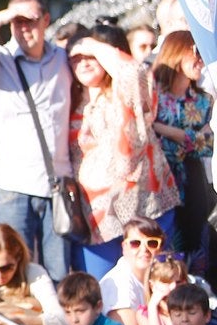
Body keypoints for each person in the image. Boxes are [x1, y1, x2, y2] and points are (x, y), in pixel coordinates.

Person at [0, 0, 73, 280]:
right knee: (13, 271)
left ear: (46, 20)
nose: (23, 28)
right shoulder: (2, 58)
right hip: (13, 185)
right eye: (16, 22)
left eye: (30, 21)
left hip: (56, 183)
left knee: (57, 273)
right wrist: (0, 17)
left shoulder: (63, 57)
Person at [66, 25, 178, 277]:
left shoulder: (124, 91)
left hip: (146, 208)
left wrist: (91, 44)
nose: (83, 62)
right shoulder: (70, 102)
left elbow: (134, 71)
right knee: (103, 295)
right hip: (97, 221)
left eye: (90, 57)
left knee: (157, 285)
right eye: (76, 58)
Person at [149, 30, 213, 263]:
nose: (201, 60)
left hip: (192, 178)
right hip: (160, 180)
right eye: (195, 52)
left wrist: (163, 129)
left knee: (194, 244)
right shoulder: (152, 95)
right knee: (164, 244)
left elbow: (206, 144)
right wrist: (190, 137)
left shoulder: (204, 100)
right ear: (177, 52)